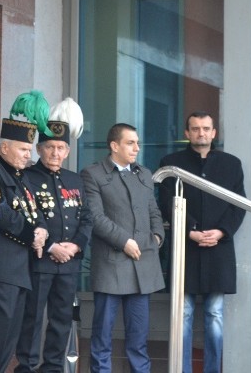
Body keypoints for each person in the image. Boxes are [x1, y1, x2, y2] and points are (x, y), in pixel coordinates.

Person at [0, 91, 52, 373]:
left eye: (29, 152)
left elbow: (34, 211)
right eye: (23, 150)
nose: (28, 157)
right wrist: (32, 235)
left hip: (18, 272)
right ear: (4, 147)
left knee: (7, 344)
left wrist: (41, 229)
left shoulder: (20, 175)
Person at [158, 111, 246, 373]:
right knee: (182, 315)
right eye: (195, 129)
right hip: (185, 248)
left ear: (214, 132)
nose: (201, 133)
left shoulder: (231, 164)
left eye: (206, 129)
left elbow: (238, 205)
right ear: (187, 133)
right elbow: (164, 203)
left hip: (219, 250)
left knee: (215, 316)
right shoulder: (171, 163)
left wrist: (221, 231)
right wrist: (190, 230)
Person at [81, 123, 165, 373]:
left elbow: (154, 211)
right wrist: (124, 242)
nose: (137, 148)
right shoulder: (93, 174)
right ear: (114, 145)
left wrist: (158, 236)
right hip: (111, 266)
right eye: (131, 143)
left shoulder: (144, 173)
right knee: (102, 338)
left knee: (138, 340)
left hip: (143, 265)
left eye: (137, 143)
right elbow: (95, 217)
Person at [15, 97, 91, 373]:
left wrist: (75, 246)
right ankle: (26, 367)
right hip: (40, 262)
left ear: (68, 151)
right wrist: (52, 247)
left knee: (61, 321)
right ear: (39, 149)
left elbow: (86, 217)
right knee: (32, 319)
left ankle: (53, 368)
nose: (55, 153)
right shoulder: (27, 177)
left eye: (60, 148)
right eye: (50, 148)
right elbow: (28, 216)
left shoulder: (75, 180)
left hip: (69, 265)